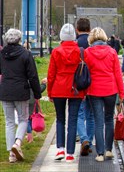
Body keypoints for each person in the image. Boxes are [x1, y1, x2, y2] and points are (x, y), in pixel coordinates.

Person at [0, 29, 42, 163]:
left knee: (9, 121)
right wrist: (37, 93)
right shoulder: (26, 54)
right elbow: (33, 76)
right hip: (21, 91)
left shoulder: (2, 54)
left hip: (5, 91)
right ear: (19, 39)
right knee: (23, 119)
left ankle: (11, 155)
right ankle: (17, 143)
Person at [84, 27, 124, 162]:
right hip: (110, 90)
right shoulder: (112, 52)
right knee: (109, 119)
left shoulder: (87, 53)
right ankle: (109, 150)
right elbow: (118, 74)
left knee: (98, 121)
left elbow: (85, 74)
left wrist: (84, 92)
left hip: (94, 90)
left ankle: (100, 153)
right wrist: (122, 93)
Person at [47, 23, 86, 163]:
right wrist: (84, 92)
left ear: (62, 37)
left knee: (60, 119)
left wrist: (50, 92)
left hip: (58, 88)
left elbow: (51, 74)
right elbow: (85, 73)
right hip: (75, 89)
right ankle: (70, 153)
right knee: (73, 120)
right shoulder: (81, 52)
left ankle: (60, 149)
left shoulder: (56, 52)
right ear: (74, 37)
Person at [75, 18, 94, 157]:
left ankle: (84, 139)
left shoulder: (75, 45)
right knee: (91, 116)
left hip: (79, 84)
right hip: (92, 85)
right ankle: (90, 142)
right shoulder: (93, 44)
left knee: (79, 114)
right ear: (89, 29)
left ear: (77, 29)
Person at [26, 77, 47, 143]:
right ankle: (34, 133)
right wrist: (43, 84)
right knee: (32, 119)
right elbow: (39, 89)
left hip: (25, 102)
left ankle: (29, 136)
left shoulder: (21, 81)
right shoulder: (32, 80)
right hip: (34, 104)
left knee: (27, 120)